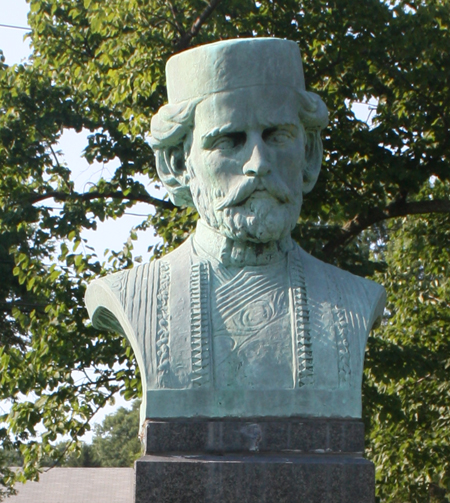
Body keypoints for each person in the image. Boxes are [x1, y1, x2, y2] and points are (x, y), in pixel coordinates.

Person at [85, 38, 385, 424]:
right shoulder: (135, 295)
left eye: (277, 135)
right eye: (229, 140)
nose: (258, 163)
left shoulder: (354, 299)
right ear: (177, 163)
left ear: (310, 154)